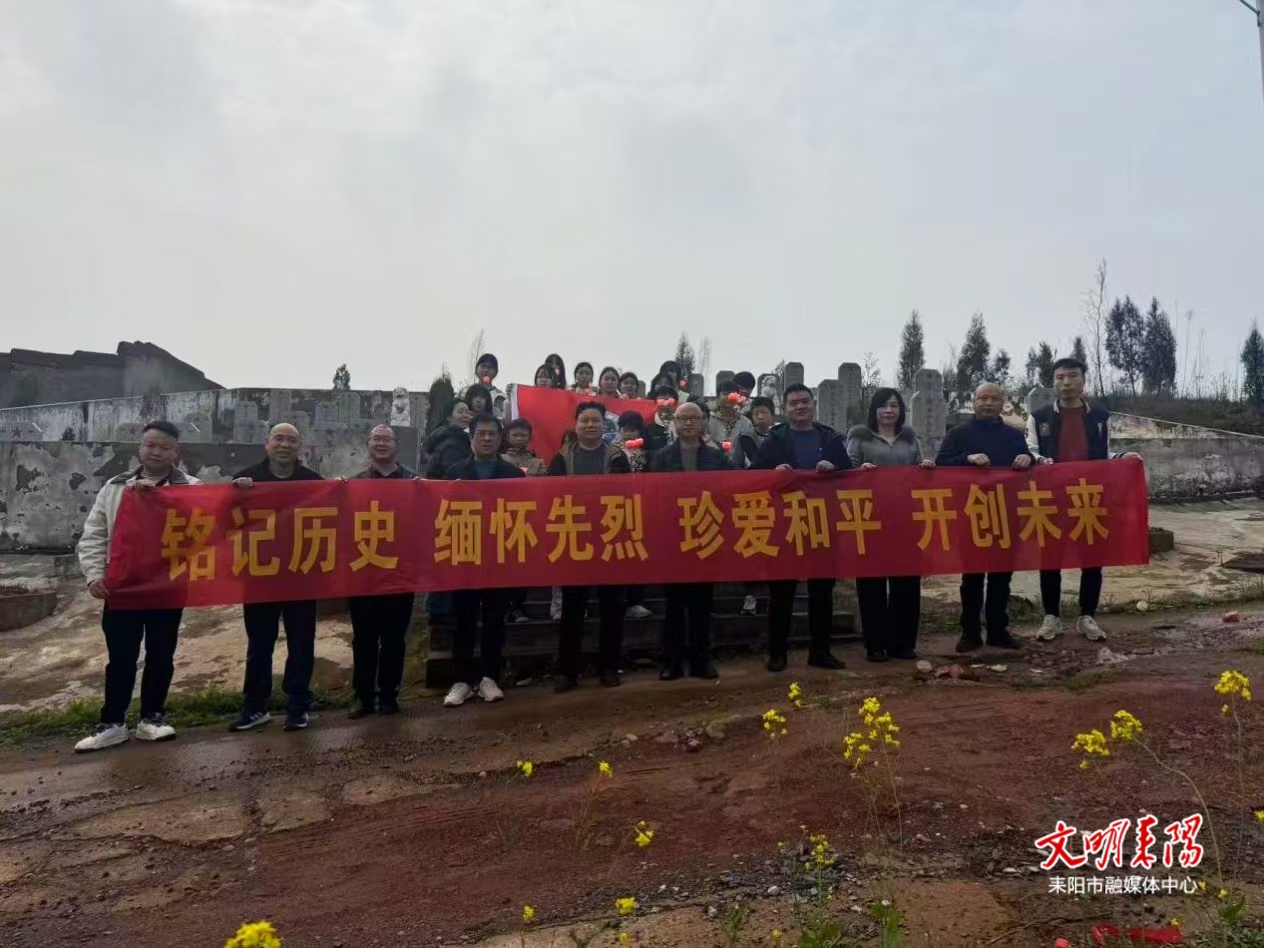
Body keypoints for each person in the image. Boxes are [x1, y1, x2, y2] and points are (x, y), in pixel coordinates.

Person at [73, 421, 200, 752]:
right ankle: (112, 723)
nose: (156, 452)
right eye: (150, 445)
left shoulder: (192, 488)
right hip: (123, 586)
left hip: (167, 586)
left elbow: (206, 529)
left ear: (176, 452)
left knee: (161, 654)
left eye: (164, 447)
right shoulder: (116, 487)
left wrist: (160, 499)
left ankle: (152, 718)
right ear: (140, 448)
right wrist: (94, 574)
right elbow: (95, 534)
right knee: (121, 656)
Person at [1027, 358, 1142, 644]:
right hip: (1052, 498)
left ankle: (1087, 616)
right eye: (1060, 377)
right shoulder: (1039, 417)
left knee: (1092, 558)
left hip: (1090, 498)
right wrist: (1043, 462)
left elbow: (1104, 453)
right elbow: (1031, 451)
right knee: (1050, 558)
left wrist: (1122, 457)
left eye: (1072, 376)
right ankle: (1051, 617)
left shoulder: (1100, 416)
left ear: (1083, 381)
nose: (1066, 383)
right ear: (1054, 382)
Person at [229, 423, 325, 732]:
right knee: (259, 645)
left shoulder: (313, 482)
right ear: (267, 444)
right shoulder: (246, 480)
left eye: (291, 440)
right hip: (260, 576)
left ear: (300, 447)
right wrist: (236, 496)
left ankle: (297, 705)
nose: (285, 445)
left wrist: (339, 488)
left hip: (301, 574)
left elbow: (334, 516)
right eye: (279, 439)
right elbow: (225, 523)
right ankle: (255, 706)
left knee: (301, 643)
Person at [753, 384, 851, 672]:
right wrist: (773, 474)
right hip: (784, 522)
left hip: (822, 521)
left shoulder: (830, 438)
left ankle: (820, 651)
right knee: (781, 591)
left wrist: (834, 469)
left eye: (804, 401)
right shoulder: (775, 440)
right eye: (793, 403)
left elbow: (849, 475)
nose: (800, 407)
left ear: (813, 404)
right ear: (785, 409)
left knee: (822, 590)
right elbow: (753, 476)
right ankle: (777, 652)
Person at [936, 382, 1033, 653]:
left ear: (1003, 403)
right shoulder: (958, 434)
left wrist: (1027, 458)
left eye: (994, 399)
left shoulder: (1014, 435)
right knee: (972, 578)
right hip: (971, 514)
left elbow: (1028, 462)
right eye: (983, 398)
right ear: (974, 401)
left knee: (1001, 577)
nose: (988, 403)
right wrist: (966, 459)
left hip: (1006, 514)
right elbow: (941, 464)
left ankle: (998, 631)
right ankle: (969, 632)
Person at [442, 414, 526, 706]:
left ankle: (490, 677)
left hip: (499, 555)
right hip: (464, 554)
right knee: (463, 618)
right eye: (481, 434)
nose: (487, 438)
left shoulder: (513, 474)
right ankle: (462, 680)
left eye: (492, 434)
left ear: (500, 438)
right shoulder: (455, 472)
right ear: (471, 437)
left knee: (494, 619)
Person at [548, 402, 632, 691]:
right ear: (576, 425)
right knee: (572, 607)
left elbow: (627, 495)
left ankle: (609, 666)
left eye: (595, 420)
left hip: (610, 536)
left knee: (612, 606)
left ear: (604, 425)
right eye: (584, 420)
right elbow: (550, 496)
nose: (590, 425)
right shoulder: (561, 458)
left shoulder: (617, 456)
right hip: (574, 538)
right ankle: (567, 671)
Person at [847, 389, 934, 662]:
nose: (889, 410)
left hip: (905, 519)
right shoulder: (860, 437)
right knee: (871, 583)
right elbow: (847, 472)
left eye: (894, 405)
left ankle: (903, 643)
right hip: (869, 519)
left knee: (906, 582)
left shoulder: (909, 439)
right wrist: (860, 473)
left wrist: (926, 468)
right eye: (883, 405)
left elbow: (920, 473)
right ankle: (876, 644)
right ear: (874, 410)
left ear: (901, 410)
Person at [649, 402, 728, 679]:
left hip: (705, 536)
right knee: (673, 605)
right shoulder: (661, 457)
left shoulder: (716, 457)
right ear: (674, 422)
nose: (688, 423)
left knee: (702, 604)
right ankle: (671, 662)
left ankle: (701, 660)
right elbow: (653, 496)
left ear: (703, 421)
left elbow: (728, 491)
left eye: (694, 418)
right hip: (673, 538)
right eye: (683, 418)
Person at [347, 426, 416, 718]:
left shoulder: (414, 482)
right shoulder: (353, 484)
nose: (381, 444)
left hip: (400, 574)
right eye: (376, 439)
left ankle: (389, 694)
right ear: (368, 445)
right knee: (363, 638)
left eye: (387, 439)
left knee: (394, 639)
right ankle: (363, 696)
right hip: (364, 572)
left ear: (396, 445)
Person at [615, 410, 654, 620]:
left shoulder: (649, 453)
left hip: (643, 508)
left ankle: (636, 601)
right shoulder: (612, 451)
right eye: (625, 429)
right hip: (617, 509)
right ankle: (619, 601)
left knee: (640, 556)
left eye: (632, 429)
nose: (628, 433)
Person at [709, 379, 757, 469]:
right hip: (712, 468)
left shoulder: (745, 422)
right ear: (717, 397)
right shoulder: (708, 420)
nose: (729, 397)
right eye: (725, 394)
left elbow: (751, 451)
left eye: (733, 395)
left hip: (738, 470)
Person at [424, 400, 472, 479]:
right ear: (449, 417)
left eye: (468, 412)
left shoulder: (453, 437)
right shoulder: (451, 444)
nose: (466, 416)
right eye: (460, 412)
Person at [645, 385, 678, 452]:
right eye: (661, 402)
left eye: (670, 402)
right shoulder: (647, 425)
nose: (665, 405)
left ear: (676, 404)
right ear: (655, 403)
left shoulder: (681, 424)